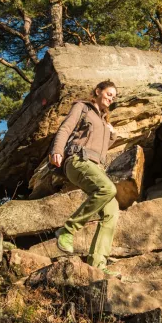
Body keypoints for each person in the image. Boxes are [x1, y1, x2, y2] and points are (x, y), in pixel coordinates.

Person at [50, 80, 119, 272]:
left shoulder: (105, 122)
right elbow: (65, 128)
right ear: (98, 91)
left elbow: (101, 149)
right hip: (77, 161)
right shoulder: (82, 108)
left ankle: (98, 265)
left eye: (113, 97)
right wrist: (57, 150)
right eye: (108, 93)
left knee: (112, 211)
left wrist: (111, 134)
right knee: (108, 189)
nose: (111, 98)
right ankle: (68, 230)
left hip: (96, 167)